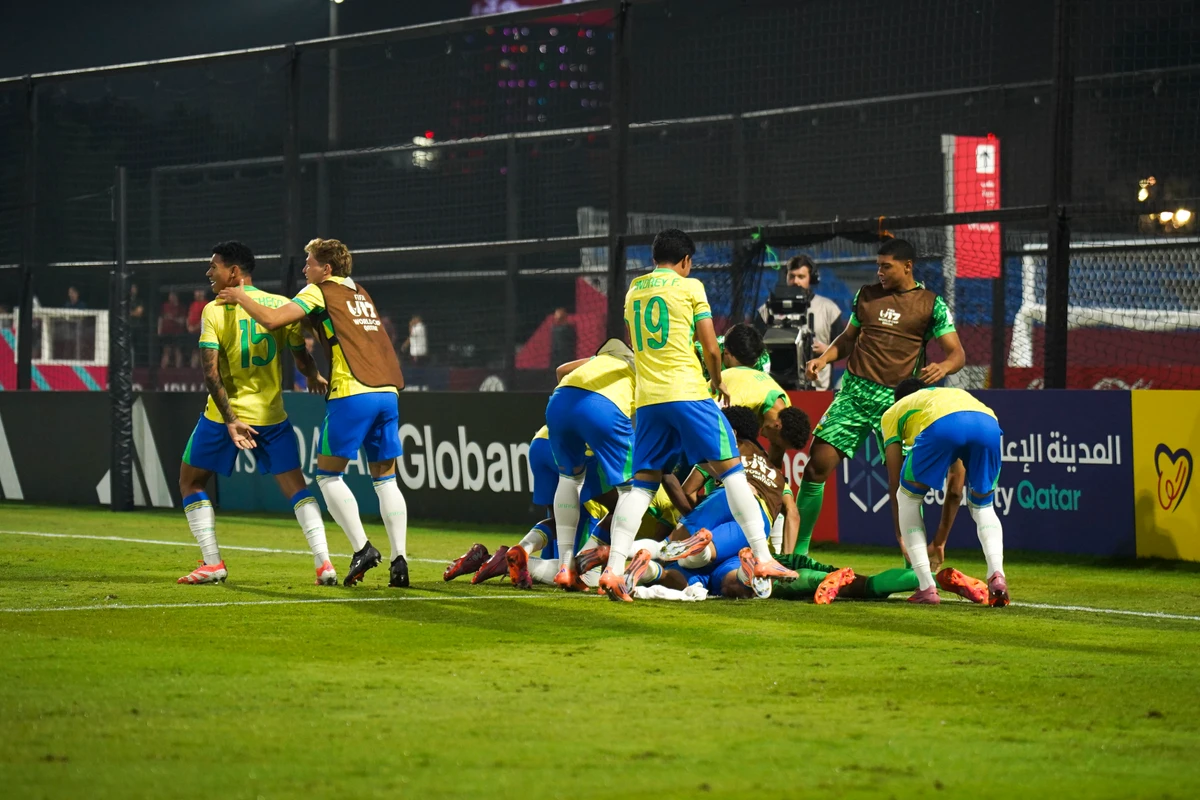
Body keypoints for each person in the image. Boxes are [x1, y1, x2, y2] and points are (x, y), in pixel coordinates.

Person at [600, 228, 795, 602]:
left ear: (654, 258)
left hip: (648, 400)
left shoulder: (634, 290)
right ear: (686, 260)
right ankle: (764, 557)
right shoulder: (690, 288)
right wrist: (718, 381)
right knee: (733, 472)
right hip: (688, 392)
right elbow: (711, 347)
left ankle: (613, 569)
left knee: (642, 486)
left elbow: (635, 342)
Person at [218, 238, 410, 588]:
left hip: (352, 392)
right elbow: (327, 328)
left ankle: (362, 548)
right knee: (386, 480)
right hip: (388, 391)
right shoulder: (360, 293)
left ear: (327, 269)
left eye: (310, 263)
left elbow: (274, 320)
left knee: (328, 477)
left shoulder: (319, 290)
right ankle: (400, 561)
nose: (305, 269)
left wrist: (241, 296)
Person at [176, 241, 335, 586]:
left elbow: (210, 374)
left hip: (224, 417)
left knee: (190, 481)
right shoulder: (280, 304)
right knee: (297, 488)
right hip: (271, 416)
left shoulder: (213, 310)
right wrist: (312, 374)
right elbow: (301, 357)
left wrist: (232, 419)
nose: (208, 272)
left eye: (214, 266)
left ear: (234, 272)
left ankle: (213, 563)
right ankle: (324, 562)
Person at [794, 239, 966, 556]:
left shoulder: (932, 305)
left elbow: (957, 354)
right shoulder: (866, 296)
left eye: (886, 266)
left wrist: (943, 367)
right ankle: (798, 554)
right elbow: (848, 339)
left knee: (904, 486)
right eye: (878, 266)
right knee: (816, 467)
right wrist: (824, 358)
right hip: (854, 395)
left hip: (898, 403)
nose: (880, 272)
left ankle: (914, 566)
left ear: (907, 266)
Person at [881, 379, 1009, 606]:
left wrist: (901, 536)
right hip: (988, 422)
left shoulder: (893, 412)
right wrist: (940, 542)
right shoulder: (947, 397)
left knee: (907, 497)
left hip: (942, 426)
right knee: (983, 506)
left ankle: (926, 587)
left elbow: (894, 479)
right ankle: (997, 574)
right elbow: (955, 491)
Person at [544, 339, 636, 589]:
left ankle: (565, 566)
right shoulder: (646, 366)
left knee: (569, 479)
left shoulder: (603, 359)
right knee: (631, 488)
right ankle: (614, 569)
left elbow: (561, 371)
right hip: (604, 408)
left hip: (560, 401)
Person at [755, 255, 845, 390]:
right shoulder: (767, 310)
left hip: (819, 389)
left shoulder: (829, 309)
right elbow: (755, 348)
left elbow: (843, 348)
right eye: (792, 276)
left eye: (801, 277)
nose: (796, 281)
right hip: (777, 389)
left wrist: (825, 351)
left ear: (811, 279)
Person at [159, 290, 188, 369]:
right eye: (170, 295)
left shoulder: (181, 307)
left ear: (176, 297)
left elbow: (183, 321)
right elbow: (161, 318)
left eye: (172, 295)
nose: (170, 297)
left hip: (177, 333)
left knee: (177, 350)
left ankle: (178, 371)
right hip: (166, 332)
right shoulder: (165, 306)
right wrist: (159, 330)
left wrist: (172, 318)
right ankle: (163, 370)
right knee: (166, 351)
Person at [186, 289, 207, 369]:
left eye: (198, 291)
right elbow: (189, 316)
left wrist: (195, 328)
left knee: (202, 352)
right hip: (192, 333)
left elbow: (204, 319)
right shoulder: (193, 304)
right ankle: (193, 370)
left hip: (202, 333)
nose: (195, 293)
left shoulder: (206, 304)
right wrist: (188, 326)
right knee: (194, 352)